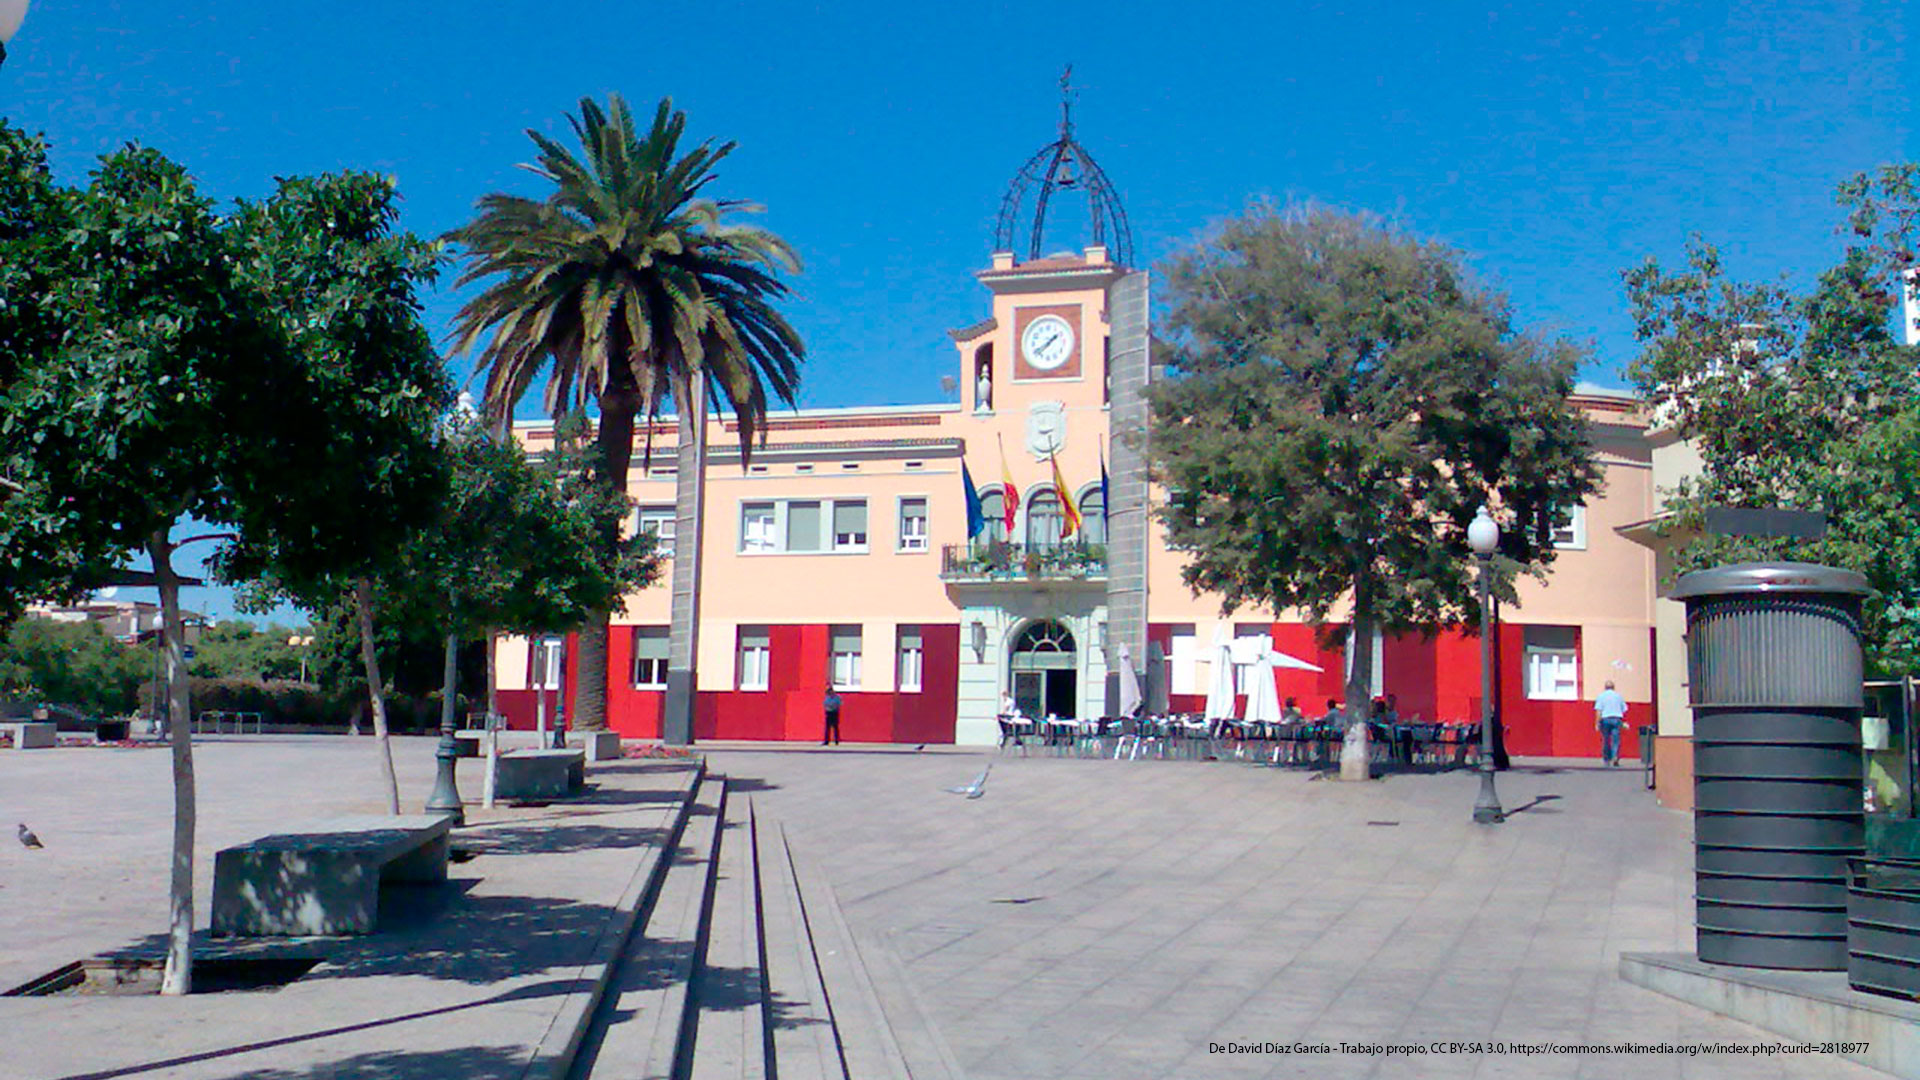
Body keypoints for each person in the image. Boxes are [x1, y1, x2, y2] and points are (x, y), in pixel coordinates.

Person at [1594, 680, 1628, 766]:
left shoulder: (1601, 696)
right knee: (1616, 740)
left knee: (1606, 740)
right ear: (1613, 687)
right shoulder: (1618, 696)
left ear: (1605, 687)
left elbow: (1598, 711)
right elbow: (1624, 709)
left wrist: (1597, 723)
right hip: (1616, 719)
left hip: (1605, 719)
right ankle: (1615, 757)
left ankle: (1606, 759)